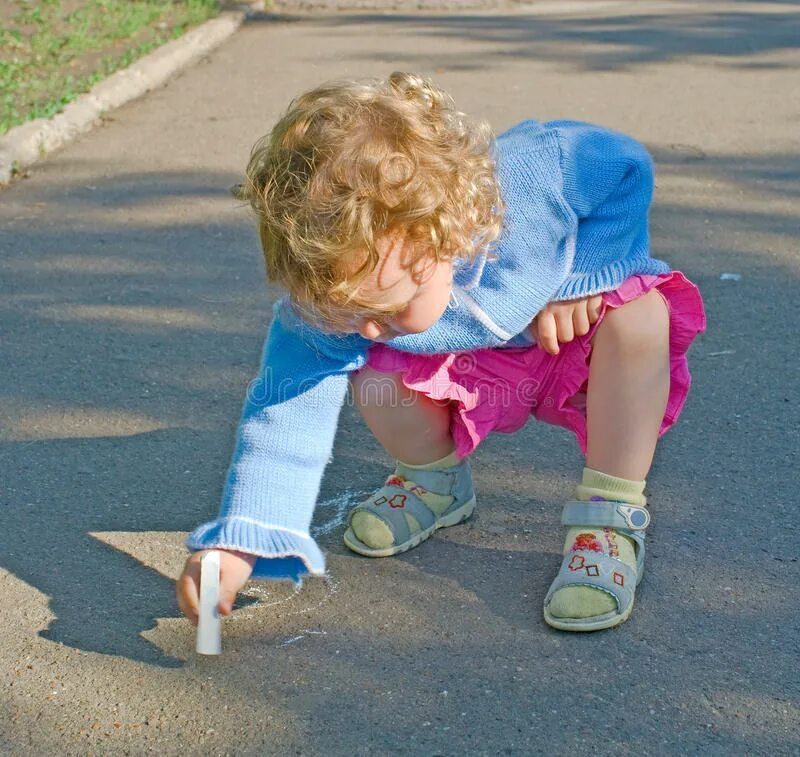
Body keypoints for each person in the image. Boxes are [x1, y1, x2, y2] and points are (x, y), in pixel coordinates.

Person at [176, 71, 705, 632]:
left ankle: (610, 517)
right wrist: (243, 536)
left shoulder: (530, 179)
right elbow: (283, 415)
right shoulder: (338, 301)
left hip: (566, 343)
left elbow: (624, 167)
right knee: (370, 366)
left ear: (437, 239)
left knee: (640, 312)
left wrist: (588, 276)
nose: (369, 326)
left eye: (385, 307)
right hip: (468, 368)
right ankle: (434, 482)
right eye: (351, 311)